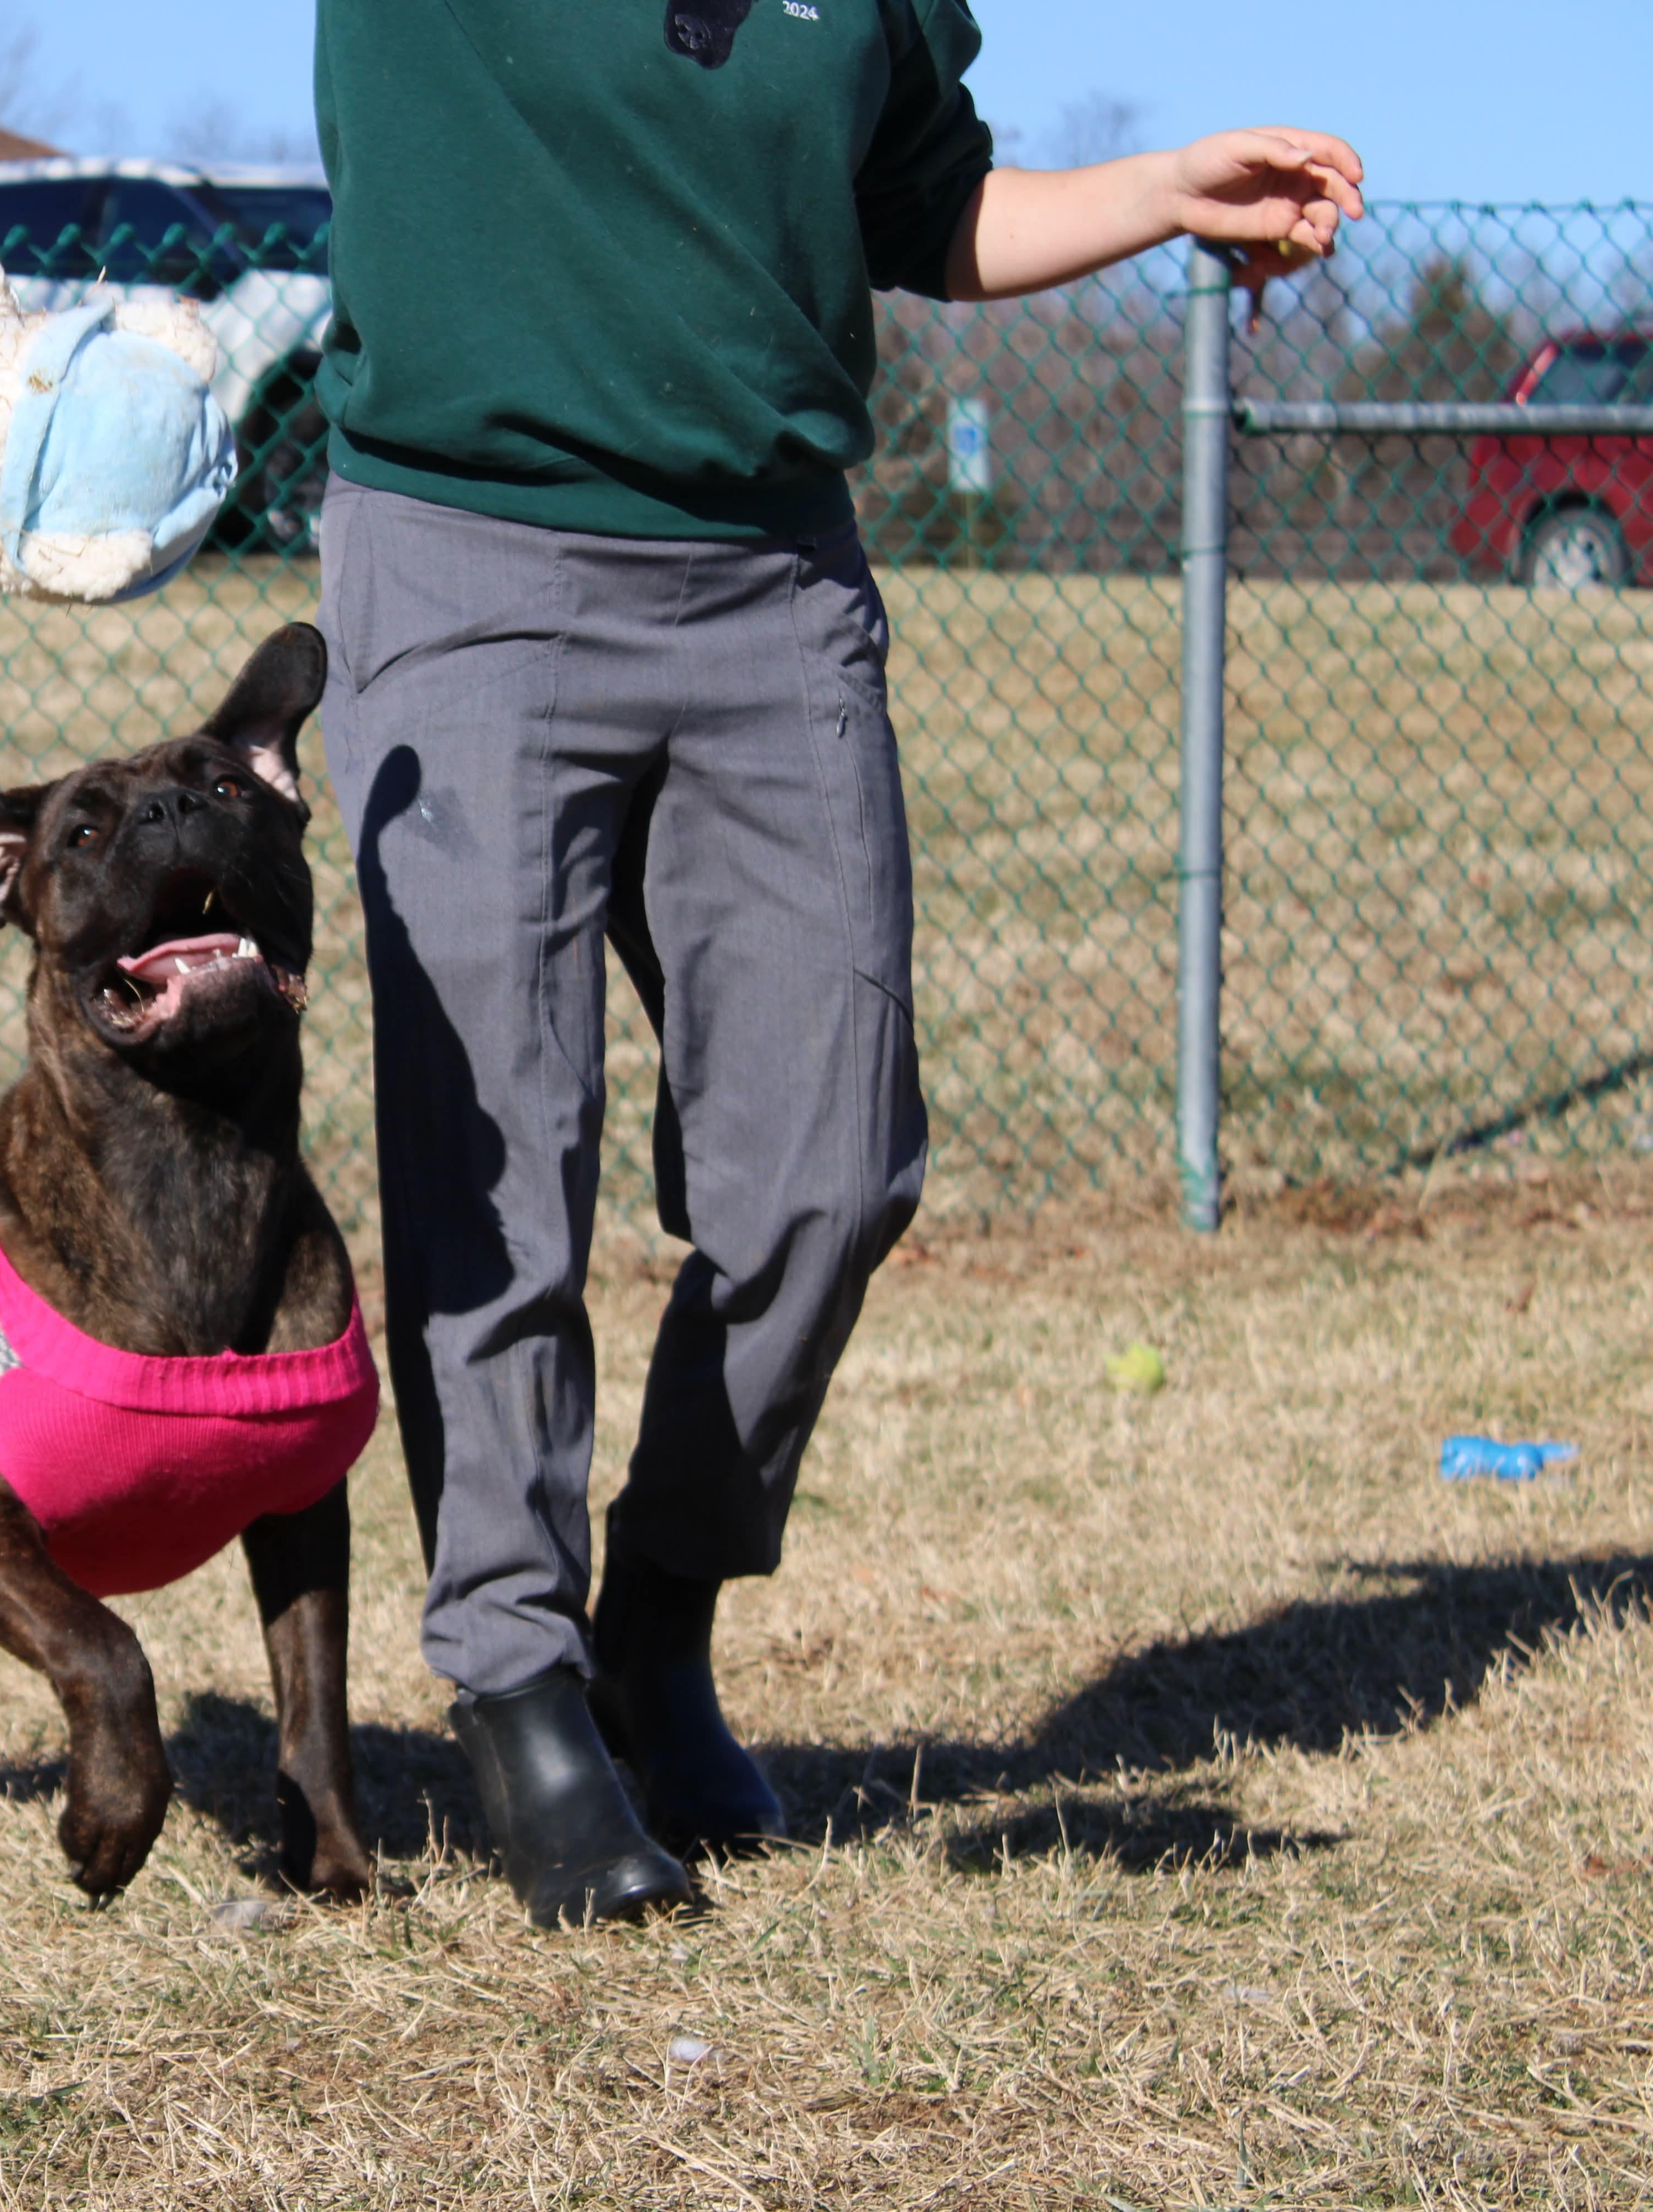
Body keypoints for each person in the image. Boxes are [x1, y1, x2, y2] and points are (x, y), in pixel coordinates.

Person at [309, 0, 1361, 1928]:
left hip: (772, 584)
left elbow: (924, 208)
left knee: (832, 1165)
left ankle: (659, 1616)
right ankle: (519, 1683)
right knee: (500, 1166)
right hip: (466, 560)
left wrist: (1160, 192)